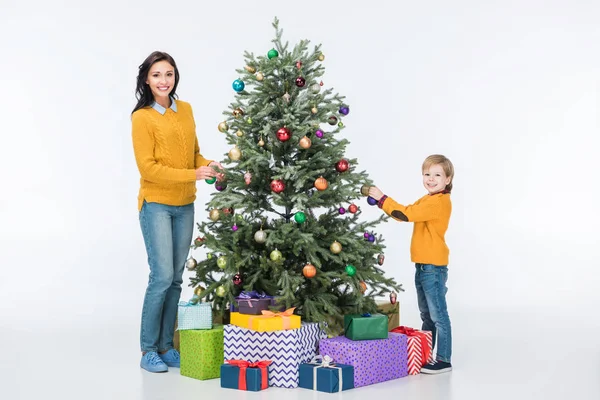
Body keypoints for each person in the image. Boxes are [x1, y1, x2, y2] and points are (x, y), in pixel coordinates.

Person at [131, 51, 223, 373]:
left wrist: (208, 165)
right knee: (161, 277)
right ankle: (147, 350)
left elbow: (194, 154)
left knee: (176, 280)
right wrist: (192, 174)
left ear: (175, 77)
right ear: (147, 79)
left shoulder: (186, 110)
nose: (163, 80)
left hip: (185, 205)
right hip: (156, 203)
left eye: (168, 74)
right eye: (157, 75)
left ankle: (166, 345)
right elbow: (149, 168)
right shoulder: (142, 118)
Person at [369, 154, 454, 374]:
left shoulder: (438, 202)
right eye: (427, 174)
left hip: (432, 267)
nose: (431, 179)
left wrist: (382, 198)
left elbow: (406, 214)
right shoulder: (427, 199)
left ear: (448, 179)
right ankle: (426, 355)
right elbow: (402, 213)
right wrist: (382, 203)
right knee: (426, 316)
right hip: (423, 266)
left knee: (438, 316)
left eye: (437, 175)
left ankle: (444, 360)